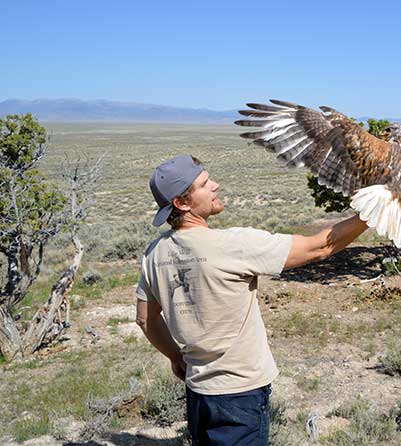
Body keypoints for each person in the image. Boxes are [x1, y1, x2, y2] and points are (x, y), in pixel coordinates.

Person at [134, 154, 367, 446]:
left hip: (198, 392)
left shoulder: (154, 255)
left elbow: (145, 319)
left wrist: (175, 356)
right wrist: (374, 213)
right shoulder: (233, 245)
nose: (216, 185)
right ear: (182, 203)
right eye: (205, 184)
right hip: (240, 392)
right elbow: (320, 247)